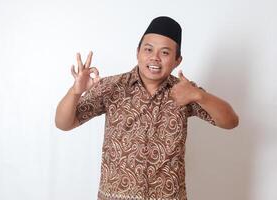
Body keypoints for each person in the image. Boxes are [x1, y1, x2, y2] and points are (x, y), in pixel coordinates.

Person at [55, 16, 239, 200]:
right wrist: (75, 91)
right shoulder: (111, 87)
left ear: (177, 60)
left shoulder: (185, 91)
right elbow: (64, 123)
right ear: (138, 52)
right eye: (148, 49)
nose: (154, 58)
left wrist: (199, 95)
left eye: (165, 53)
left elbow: (231, 121)